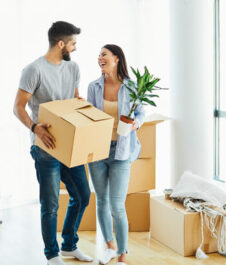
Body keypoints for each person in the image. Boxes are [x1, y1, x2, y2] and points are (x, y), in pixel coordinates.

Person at [13, 21, 93, 265]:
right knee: (50, 204)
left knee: (83, 195)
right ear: (61, 44)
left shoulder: (73, 68)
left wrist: (81, 104)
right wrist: (35, 127)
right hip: (45, 147)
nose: (75, 48)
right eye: (73, 43)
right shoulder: (33, 70)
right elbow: (18, 107)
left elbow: (72, 99)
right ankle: (52, 255)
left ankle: (69, 245)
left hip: (70, 144)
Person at [87, 44, 145, 265]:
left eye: (104, 54)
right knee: (101, 201)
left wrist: (135, 124)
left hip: (121, 150)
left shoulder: (132, 86)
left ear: (117, 58)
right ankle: (110, 246)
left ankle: (123, 253)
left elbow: (140, 111)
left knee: (117, 205)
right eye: (98, 55)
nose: (99, 58)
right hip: (98, 151)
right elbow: (90, 116)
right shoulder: (94, 87)